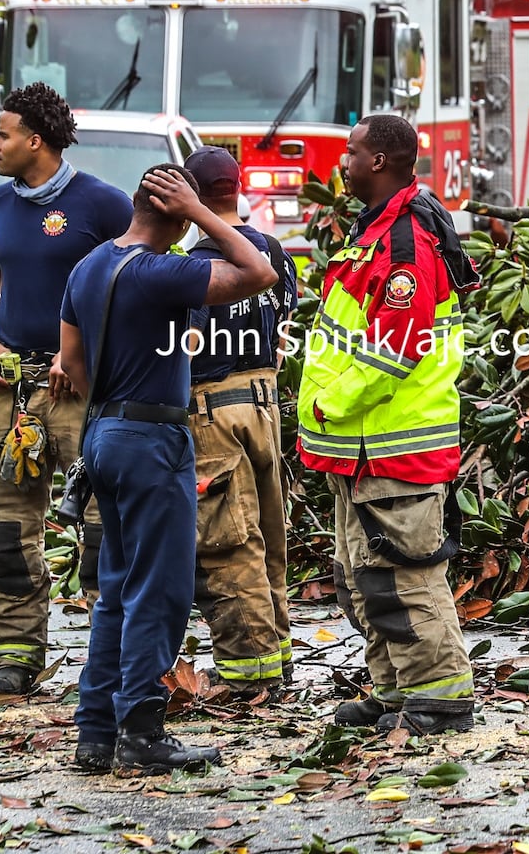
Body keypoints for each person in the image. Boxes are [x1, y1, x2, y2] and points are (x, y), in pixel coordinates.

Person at [58, 164, 277, 773]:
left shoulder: (90, 265)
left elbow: (69, 363)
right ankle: (141, 732)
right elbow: (260, 271)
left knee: (117, 590)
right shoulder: (161, 271)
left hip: (102, 434)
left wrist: (112, 412)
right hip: (154, 439)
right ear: (178, 218)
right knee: (161, 590)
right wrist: (205, 212)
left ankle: (95, 733)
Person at [298, 113, 481, 735]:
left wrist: (330, 405)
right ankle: (395, 690)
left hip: (390, 442)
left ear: (378, 161)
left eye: (350, 153)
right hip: (362, 447)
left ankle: (440, 696)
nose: (341, 164)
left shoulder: (404, 241)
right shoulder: (376, 230)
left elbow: (396, 349)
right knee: (367, 579)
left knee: (406, 577)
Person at [0, 82, 132, 696]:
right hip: (13, 392)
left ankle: (113, 664)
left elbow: (137, 286)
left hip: (84, 392)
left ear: (35, 140)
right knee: (4, 531)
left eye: (3, 134)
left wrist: (81, 349)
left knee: (104, 531)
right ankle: (14, 660)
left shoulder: (104, 206)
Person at [181, 147, 299, 699]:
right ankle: (278, 655)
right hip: (265, 405)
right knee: (271, 533)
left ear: (193, 194)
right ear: (237, 186)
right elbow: (282, 328)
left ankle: (248, 675)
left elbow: (189, 344)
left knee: (230, 542)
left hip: (212, 413)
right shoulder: (273, 250)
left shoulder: (197, 265)